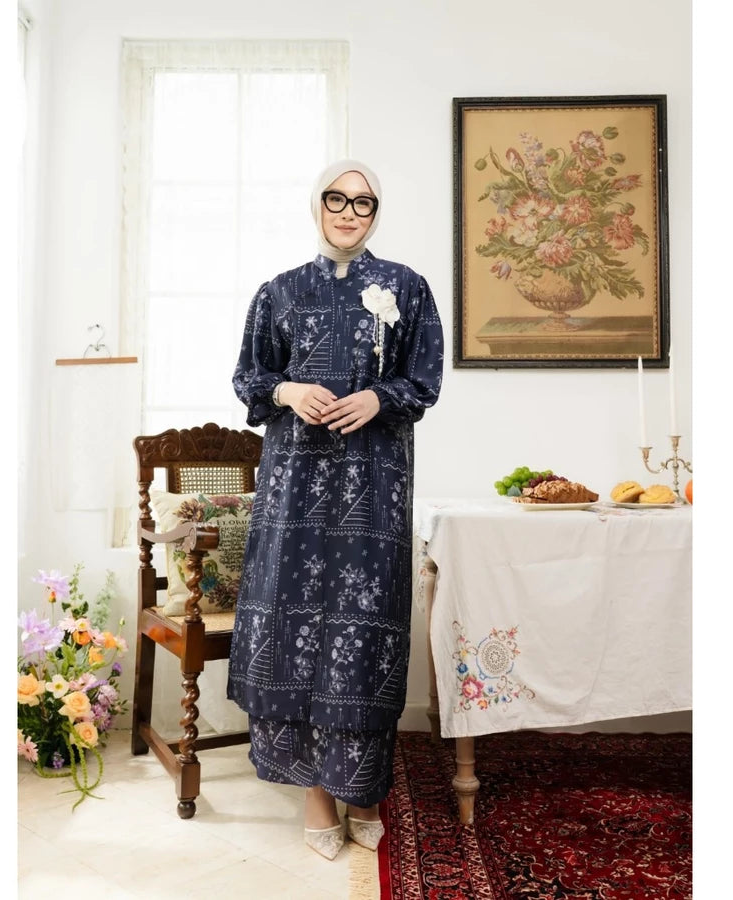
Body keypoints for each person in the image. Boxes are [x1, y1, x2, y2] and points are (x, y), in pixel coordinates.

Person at [227, 159, 444, 860]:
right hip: (294, 490)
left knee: (368, 628)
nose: (350, 212)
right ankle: (317, 796)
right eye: (337, 198)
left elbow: (426, 376)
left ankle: (364, 789)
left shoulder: (406, 288)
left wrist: (381, 398)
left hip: (374, 485)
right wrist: (288, 393)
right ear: (315, 204)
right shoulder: (278, 293)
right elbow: (249, 378)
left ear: (377, 213)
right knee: (294, 632)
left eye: (364, 202)